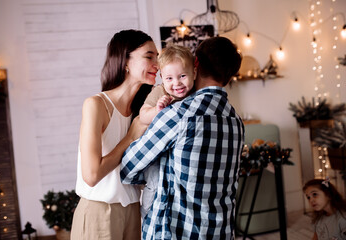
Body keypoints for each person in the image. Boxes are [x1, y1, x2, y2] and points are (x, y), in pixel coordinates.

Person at [120, 36, 244, 239]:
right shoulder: (236, 121)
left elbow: (128, 166)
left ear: (195, 64)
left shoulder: (179, 113)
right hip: (221, 231)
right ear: (230, 77)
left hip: (176, 232)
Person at [70, 29, 158, 240]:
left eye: (158, 57)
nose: (158, 64)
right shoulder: (96, 105)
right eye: (149, 56)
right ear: (125, 61)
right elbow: (91, 176)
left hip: (133, 211)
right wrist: (130, 137)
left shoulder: (143, 111)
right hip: (99, 213)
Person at [138, 44, 196, 218]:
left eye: (182, 76)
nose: (176, 83)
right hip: (157, 153)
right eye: (169, 78)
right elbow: (142, 115)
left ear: (194, 73)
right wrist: (157, 109)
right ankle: (147, 215)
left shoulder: (196, 94)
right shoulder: (160, 91)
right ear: (161, 77)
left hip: (179, 153)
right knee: (155, 182)